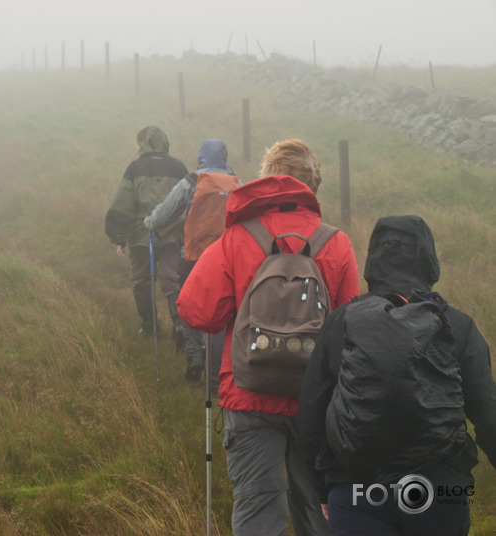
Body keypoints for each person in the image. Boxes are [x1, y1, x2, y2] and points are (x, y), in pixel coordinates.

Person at [176, 138, 360, 536]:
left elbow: (196, 310)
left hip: (249, 393)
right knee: (315, 508)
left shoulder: (239, 236)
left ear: (268, 180)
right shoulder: (337, 243)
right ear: (313, 185)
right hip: (314, 399)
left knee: (258, 508)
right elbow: (350, 331)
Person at [297, 215, 496, 536]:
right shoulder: (458, 326)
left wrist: (324, 487)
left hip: (355, 492)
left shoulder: (343, 321)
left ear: (373, 261)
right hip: (439, 492)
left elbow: (310, 415)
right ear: (428, 261)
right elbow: (488, 415)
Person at [144, 139, 239, 389]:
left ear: (201, 157)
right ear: (224, 157)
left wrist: (150, 221)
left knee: (189, 305)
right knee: (224, 312)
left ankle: (195, 356)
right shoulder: (236, 184)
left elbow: (166, 212)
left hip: (193, 256)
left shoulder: (192, 181)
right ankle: (218, 371)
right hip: (227, 259)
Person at [105, 126, 189, 344]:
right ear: (165, 142)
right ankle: (180, 326)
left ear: (142, 144)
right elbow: (188, 202)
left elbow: (124, 203)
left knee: (141, 280)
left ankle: (150, 326)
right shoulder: (179, 167)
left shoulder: (135, 168)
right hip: (171, 236)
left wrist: (119, 238)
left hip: (142, 237)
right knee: (172, 281)